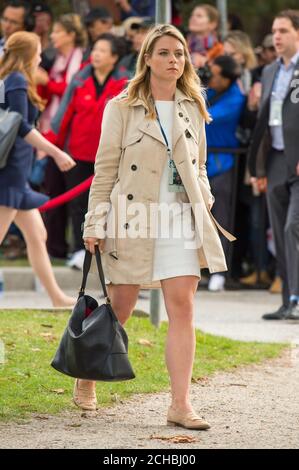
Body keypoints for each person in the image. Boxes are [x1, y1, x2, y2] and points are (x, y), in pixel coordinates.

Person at [81, 24, 234, 429]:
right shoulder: (121, 107)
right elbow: (105, 171)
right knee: (122, 305)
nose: (173, 60)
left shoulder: (193, 105)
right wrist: (94, 222)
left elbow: (199, 164)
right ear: (147, 58)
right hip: (134, 217)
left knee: (182, 307)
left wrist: (204, 196)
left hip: (180, 218)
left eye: (179, 54)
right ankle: (87, 376)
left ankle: (180, 404)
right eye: (164, 53)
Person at [0, 31, 76, 307]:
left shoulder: (12, 79)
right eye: (39, 52)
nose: (42, 57)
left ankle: (56, 296)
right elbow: (20, 126)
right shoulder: (17, 80)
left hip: (15, 171)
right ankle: (56, 296)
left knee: (37, 235)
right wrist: (56, 153)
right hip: (10, 172)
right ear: (29, 54)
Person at [45, 33, 128, 270]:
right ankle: (78, 251)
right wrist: (52, 145)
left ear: (115, 57)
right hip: (79, 152)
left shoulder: (124, 83)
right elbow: (64, 113)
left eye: (103, 50)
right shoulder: (80, 79)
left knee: (111, 205)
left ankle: (111, 252)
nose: (96, 54)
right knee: (79, 205)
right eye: (95, 49)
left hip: (111, 156)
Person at [249, 10, 299, 321]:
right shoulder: (268, 72)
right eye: (274, 31)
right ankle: (287, 300)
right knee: (279, 232)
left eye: (283, 30)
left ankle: (296, 297)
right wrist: (260, 169)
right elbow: (264, 121)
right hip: (276, 158)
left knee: (293, 226)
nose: (276, 37)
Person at [36, 14, 87, 259]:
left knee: (71, 195)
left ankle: (72, 247)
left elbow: (70, 92)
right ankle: (54, 247)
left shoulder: (79, 58)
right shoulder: (57, 58)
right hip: (50, 131)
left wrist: (48, 81)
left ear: (70, 34)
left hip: (66, 136)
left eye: (57, 31)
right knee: (52, 189)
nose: (53, 36)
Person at [205, 55, 246, 292]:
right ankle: (202, 269)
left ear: (228, 78)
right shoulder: (210, 92)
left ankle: (220, 272)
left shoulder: (235, 98)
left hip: (223, 165)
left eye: (216, 74)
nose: (211, 78)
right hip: (201, 164)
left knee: (222, 221)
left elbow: (207, 117)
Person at [187, 4, 224, 70]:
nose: (193, 18)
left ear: (212, 24)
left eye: (199, 16)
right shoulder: (181, 44)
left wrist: (206, 61)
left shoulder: (219, 49)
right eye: (192, 15)